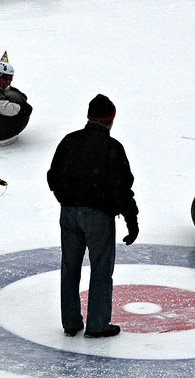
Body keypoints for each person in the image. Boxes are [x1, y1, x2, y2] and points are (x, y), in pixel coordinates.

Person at [47, 94, 138, 339]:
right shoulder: (112, 148)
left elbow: (52, 176)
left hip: (68, 213)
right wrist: (131, 220)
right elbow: (122, 189)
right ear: (111, 119)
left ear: (88, 116)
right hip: (99, 217)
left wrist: (67, 200)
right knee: (100, 270)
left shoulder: (70, 141)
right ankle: (97, 325)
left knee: (70, 268)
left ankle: (71, 322)